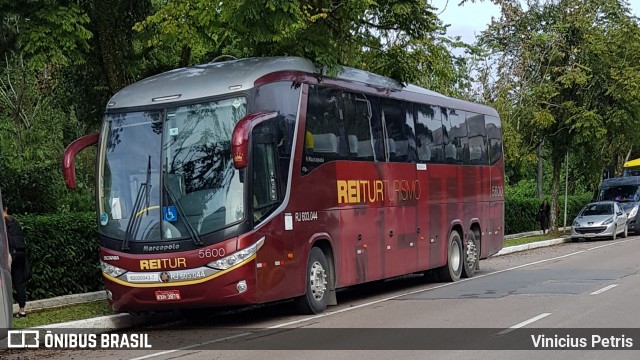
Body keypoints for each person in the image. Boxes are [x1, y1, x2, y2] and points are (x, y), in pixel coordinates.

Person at [3, 206, 30, 317]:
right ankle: (22, 310)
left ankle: (5, 311)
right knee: (18, 282)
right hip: (20, 254)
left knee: (5, 283)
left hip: (9, 255)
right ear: (6, 208)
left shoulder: (2, 224)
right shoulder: (14, 221)